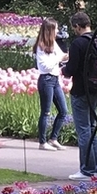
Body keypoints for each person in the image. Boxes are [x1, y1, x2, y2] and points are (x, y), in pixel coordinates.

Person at [62, 12, 97, 181]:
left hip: (81, 90)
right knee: (92, 128)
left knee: (84, 131)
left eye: (74, 27)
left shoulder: (78, 43)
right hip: (95, 90)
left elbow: (71, 69)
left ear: (77, 26)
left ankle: (86, 170)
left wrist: (63, 69)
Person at [33, 19, 69, 151]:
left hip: (55, 79)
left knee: (63, 111)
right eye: (56, 29)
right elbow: (45, 66)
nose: (58, 31)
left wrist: (68, 56)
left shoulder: (53, 43)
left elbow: (62, 57)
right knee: (46, 112)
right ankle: (42, 142)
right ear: (50, 30)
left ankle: (53, 138)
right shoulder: (41, 46)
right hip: (46, 79)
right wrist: (59, 59)